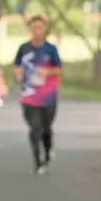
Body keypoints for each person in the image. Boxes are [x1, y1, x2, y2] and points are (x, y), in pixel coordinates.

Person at [13, 16, 62, 175]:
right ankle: (37, 163)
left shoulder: (50, 49)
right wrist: (18, 72)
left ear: (44, 29)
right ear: (30, 29)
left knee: (46, 129)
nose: (37, 30)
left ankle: (48, 151)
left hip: (48, 97)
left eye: (39, 27)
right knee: (35, 129)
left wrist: (47, 71)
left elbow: (59, 70)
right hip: (29, 96)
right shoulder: (24, 48)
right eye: (34, 27)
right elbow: (16, 65)